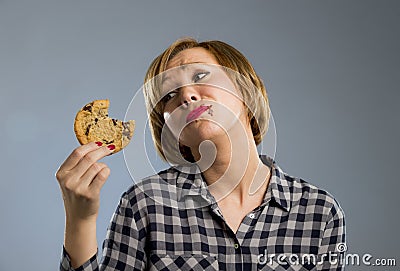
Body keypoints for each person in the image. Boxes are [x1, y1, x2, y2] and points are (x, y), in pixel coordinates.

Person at [56, 38, 346, 271]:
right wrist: (80, 222)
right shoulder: (143, 205)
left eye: (201, 75)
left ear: (246, 89)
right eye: (169, 95)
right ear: (168, 128)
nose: (186, 95)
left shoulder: (319, 212)